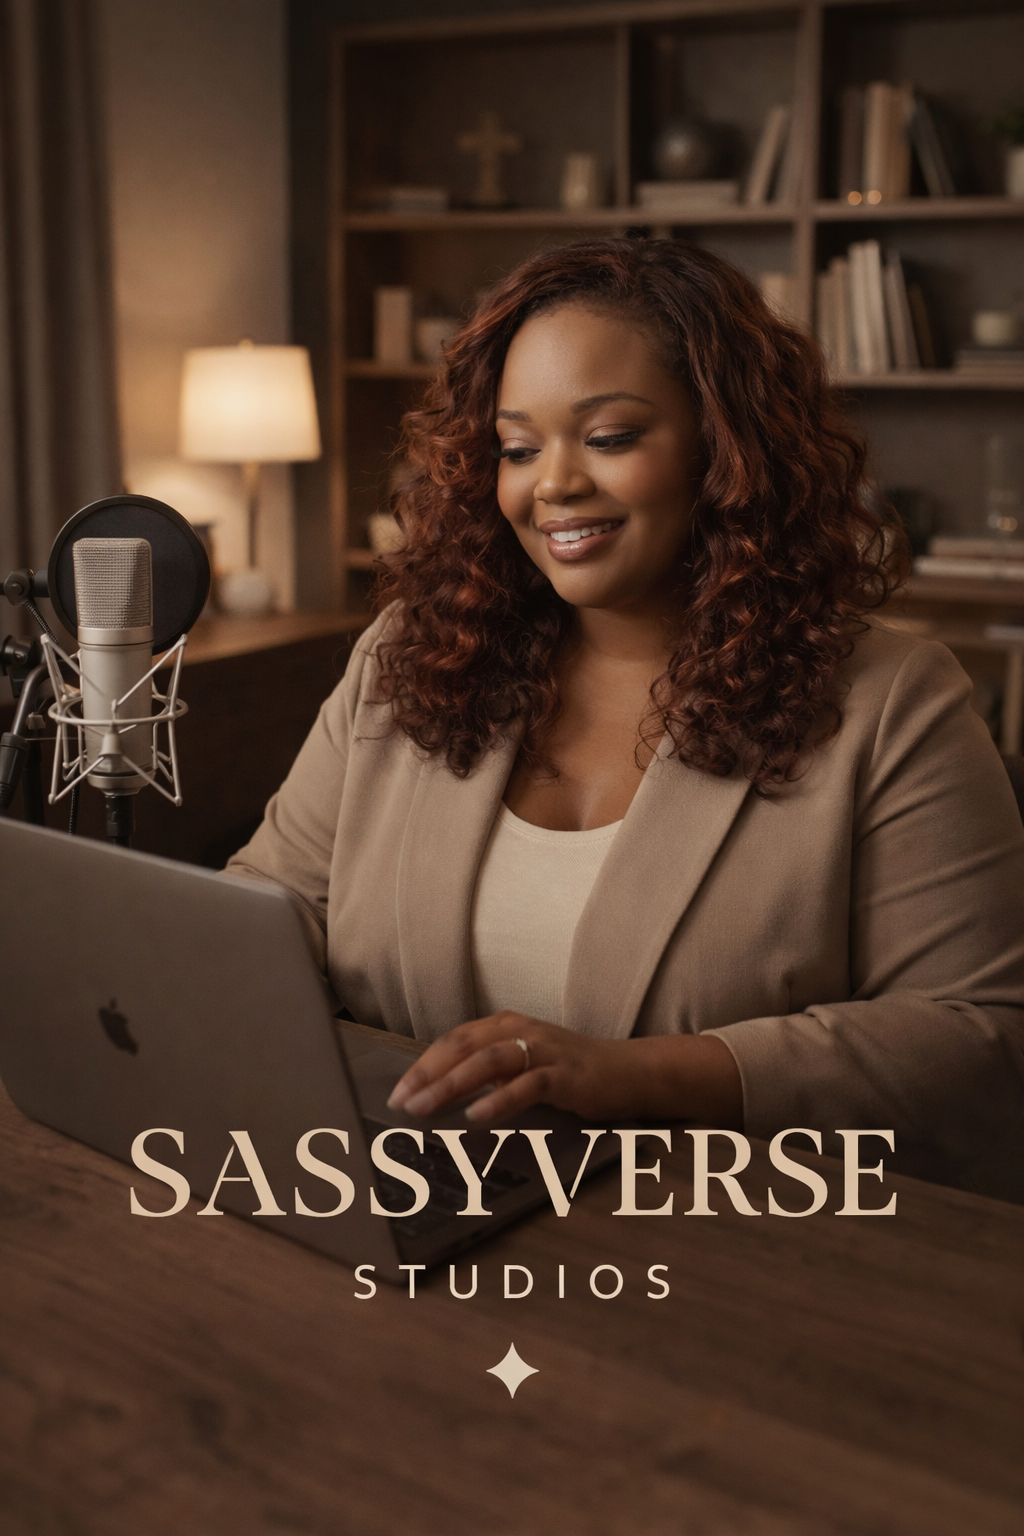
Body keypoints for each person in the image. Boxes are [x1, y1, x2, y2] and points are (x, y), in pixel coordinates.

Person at [228, 238, 1024, 1199]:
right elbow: (266, 910)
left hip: (730, 1246)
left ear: (725, 448)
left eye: (608, 438)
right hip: (409, 1205)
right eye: (517, 448)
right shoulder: (409, 657)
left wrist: (633, 1077)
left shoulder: (893, 701)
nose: (552, 483)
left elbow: (979, 1034)